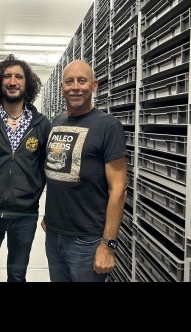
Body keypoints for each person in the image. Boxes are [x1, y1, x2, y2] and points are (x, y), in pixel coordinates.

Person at [41, 59, 128, 282]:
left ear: (94, 85)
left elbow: (119, 188)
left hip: (87, 240)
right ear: (62, 87)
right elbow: (54, 171)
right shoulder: (57, 121)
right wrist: (50, 216)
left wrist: (108, 244)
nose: (75, 87)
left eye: (82, 80)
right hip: (54, 233)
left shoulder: (108, 125)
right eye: (69, 81)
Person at [0, 54, 51, 282]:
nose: (12, 82)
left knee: (17, 275)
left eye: (18, 77)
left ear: (27, 83)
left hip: (25, 215)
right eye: (7, 76)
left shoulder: (42, 125)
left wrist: (31, 194)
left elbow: (46, 168)